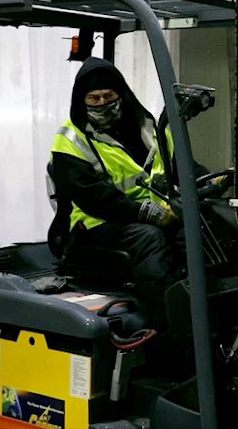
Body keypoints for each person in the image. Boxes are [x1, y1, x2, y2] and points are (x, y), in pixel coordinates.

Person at [48, 57, 182, 324]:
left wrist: (211, 179)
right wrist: (144, 212)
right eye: (94, 98)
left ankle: (200, 309)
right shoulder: (70, 139)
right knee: (148, 238)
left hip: (147, 215)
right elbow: (92, 196)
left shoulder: (147, 127)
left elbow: (177, 165)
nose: (102, 104)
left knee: (200, 227)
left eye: (108, 96)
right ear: (81, 100)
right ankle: (166, 323)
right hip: (94, 225)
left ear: (120, 93)